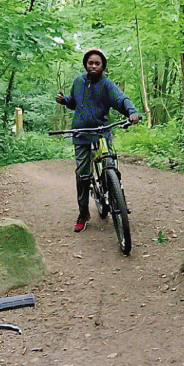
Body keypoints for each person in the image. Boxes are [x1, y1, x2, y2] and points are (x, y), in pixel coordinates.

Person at [56, 48, 141, 232]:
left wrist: (132, 112)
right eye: (90, 63)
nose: (93, 66)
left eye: (97, 63)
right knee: (82, 175)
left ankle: (118, 198)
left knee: (110, 164)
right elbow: (74, 102)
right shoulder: (78, 82)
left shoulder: (107, 85)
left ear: (102, 66)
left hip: (102, 132)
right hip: (81, 134)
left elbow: (121, 99)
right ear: (86, 64)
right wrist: (65, 101)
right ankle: (83, 212)